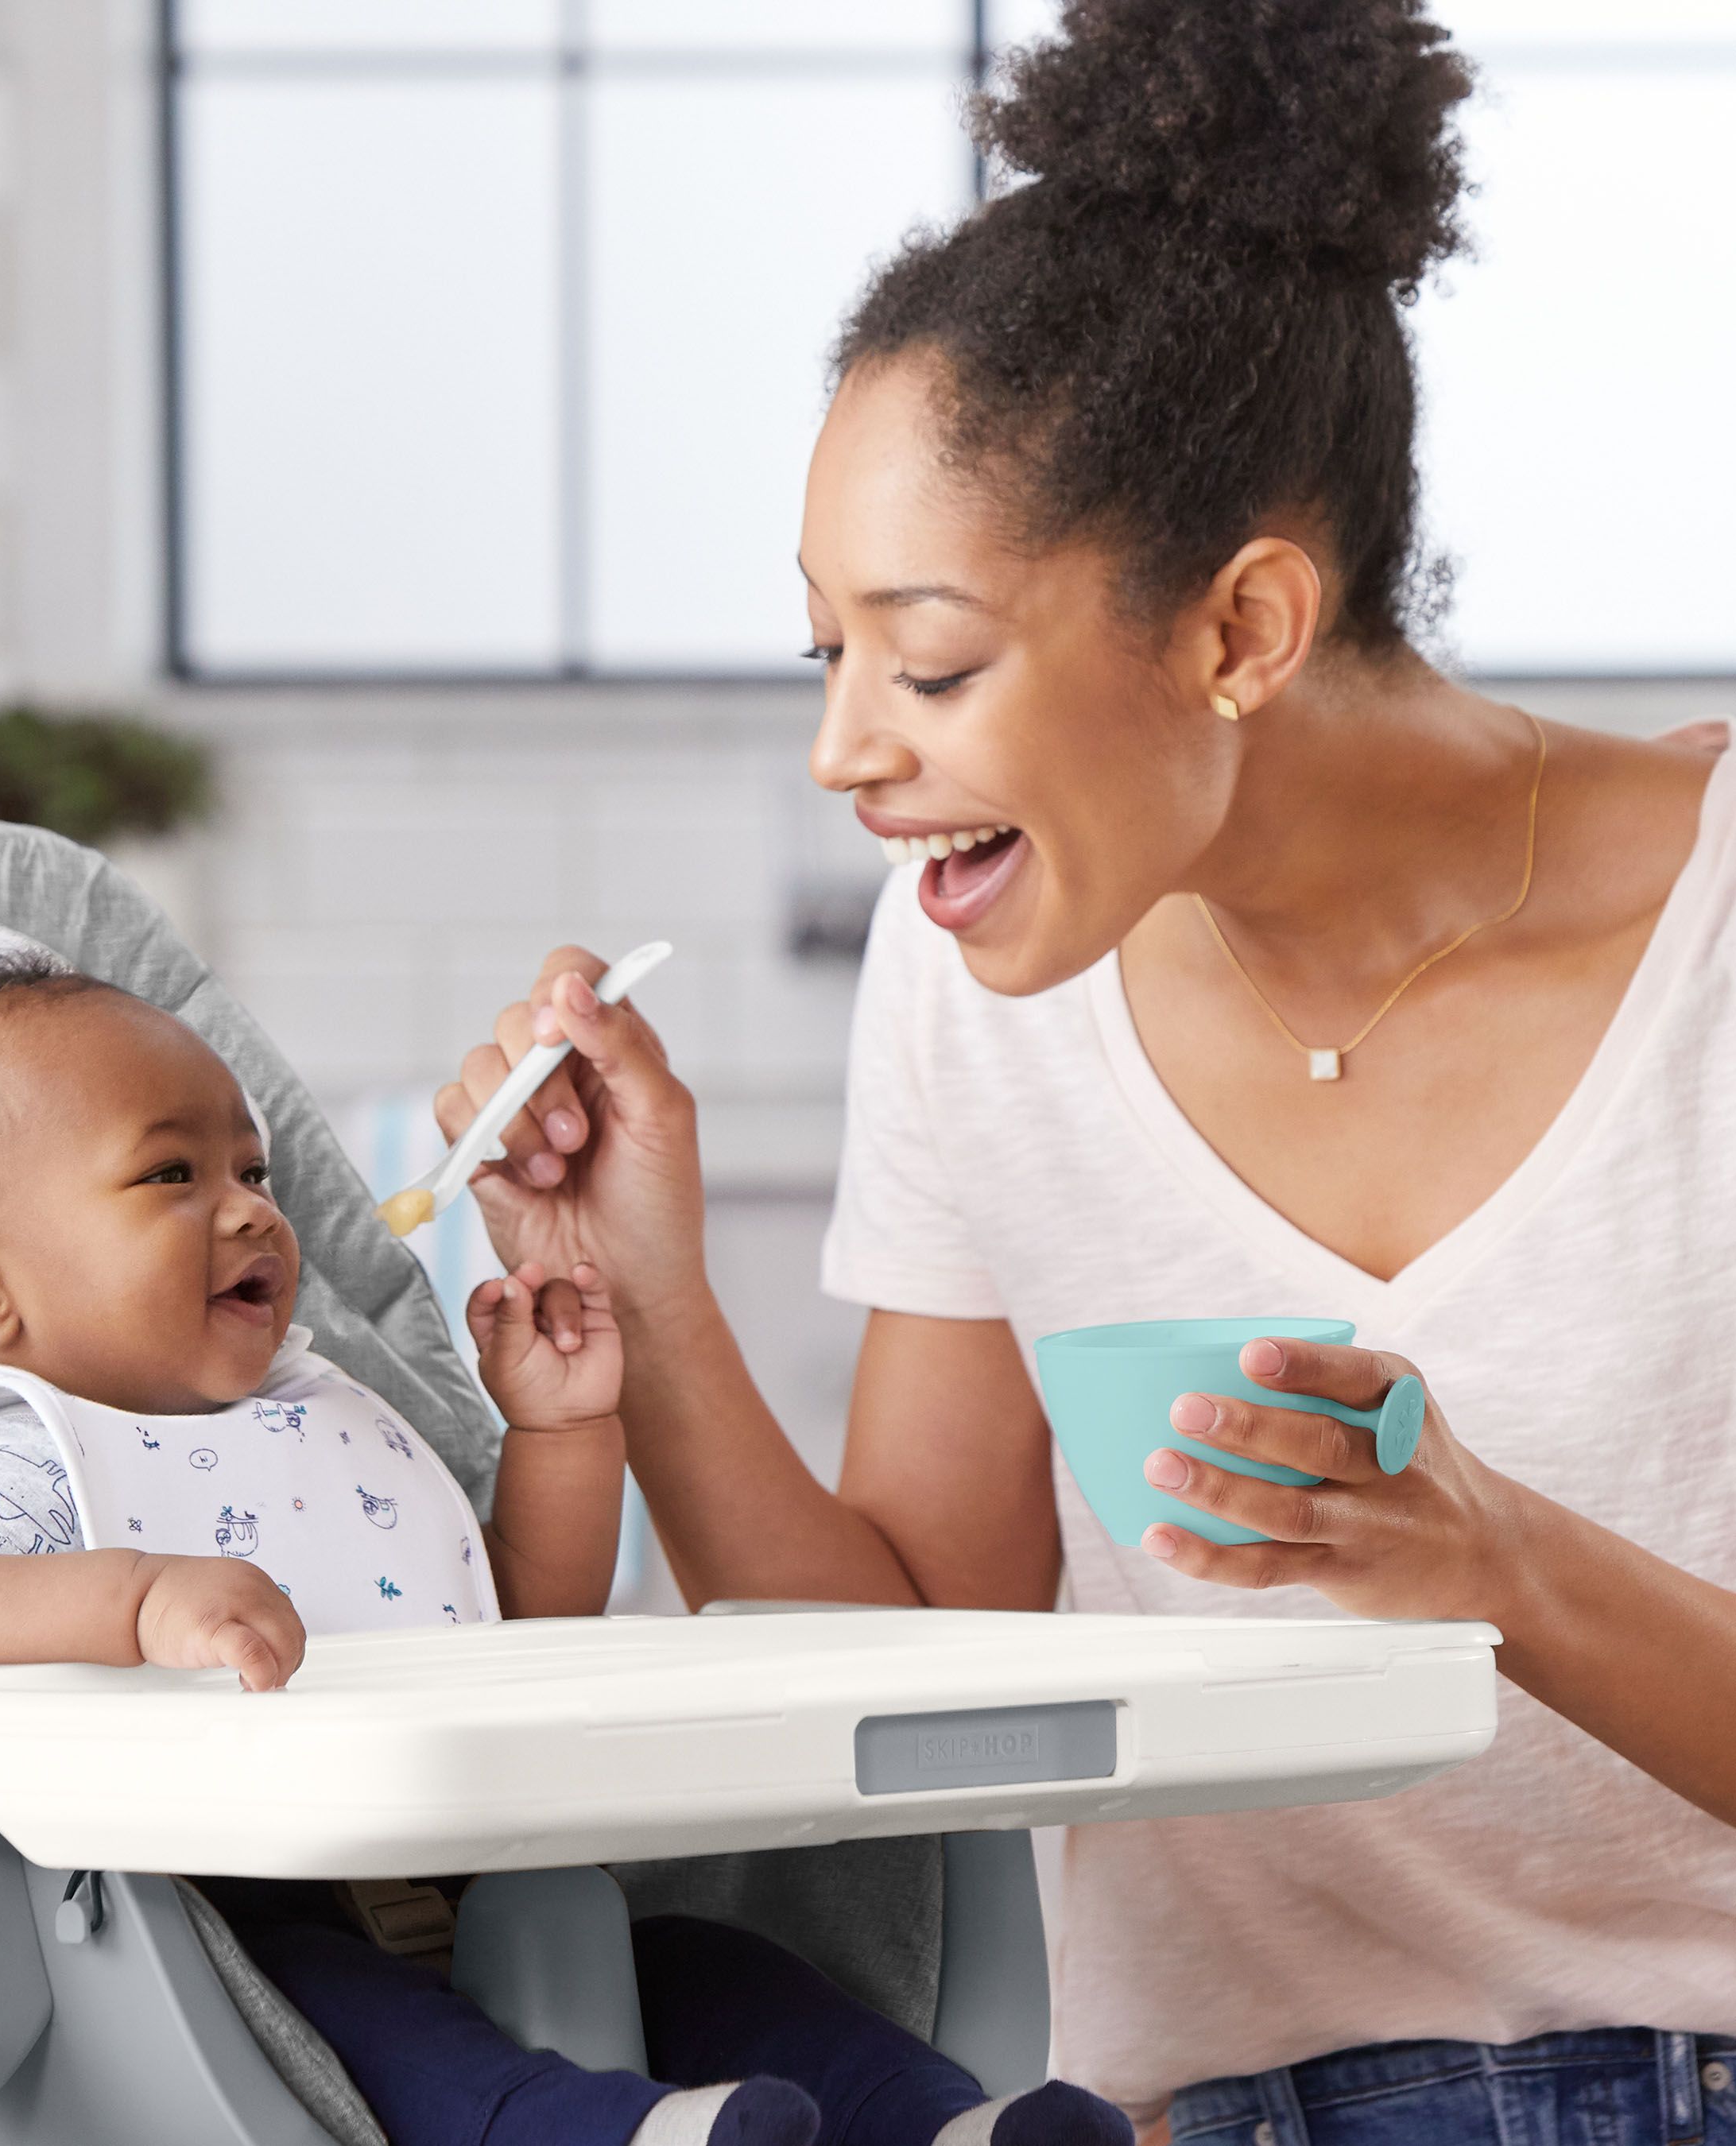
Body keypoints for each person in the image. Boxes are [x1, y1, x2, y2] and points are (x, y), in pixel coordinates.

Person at [433, 2, 1736, 2139]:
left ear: (1238, 631)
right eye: (825, 650)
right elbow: (936, 1646)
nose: (846, 748)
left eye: (928, 661)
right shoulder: (973, 980)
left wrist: (1503, 1570)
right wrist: (645, 1299)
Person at [0, 951, 1128, 2146]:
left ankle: (938, 2123)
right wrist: (142, 1599)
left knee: (698, 1962)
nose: (251, 1214)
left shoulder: (319, 1421)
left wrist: (561, 1434)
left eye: (254, 1174)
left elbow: (510, 1616)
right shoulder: (31, 1460)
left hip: (469, 1871)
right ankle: (606, 2134)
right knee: (367, 2021)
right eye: (173, 1175)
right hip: (234, 1932)